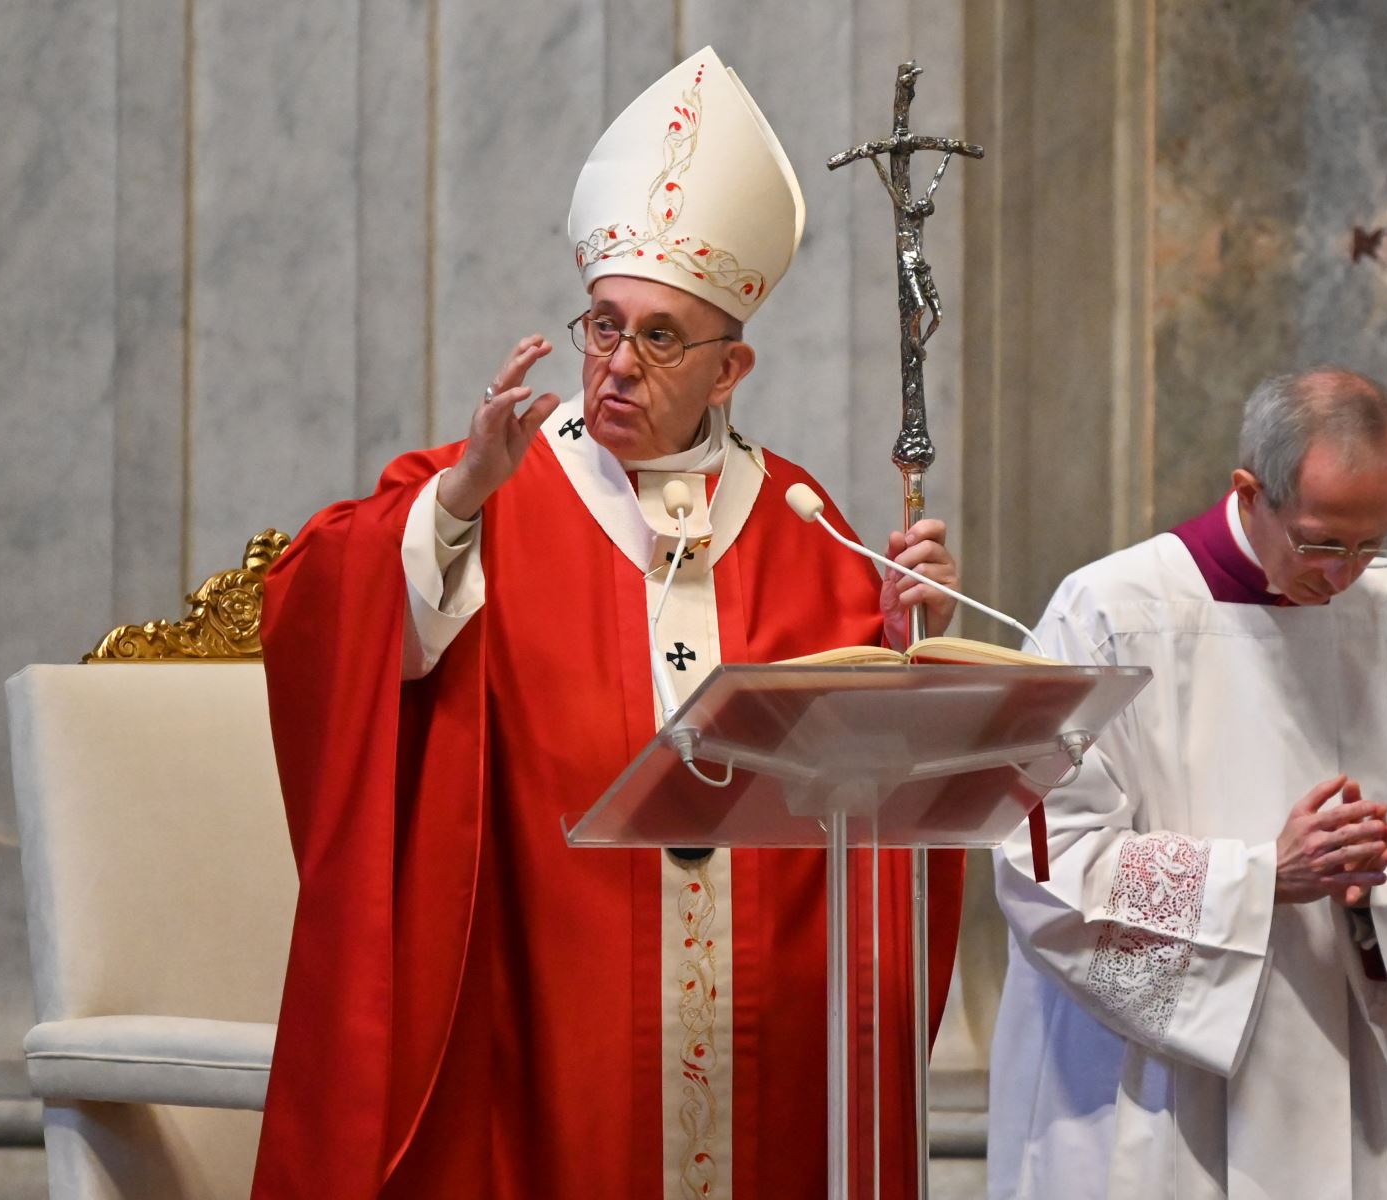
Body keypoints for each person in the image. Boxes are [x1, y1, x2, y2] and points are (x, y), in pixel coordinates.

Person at [252, 47, 966, 1199]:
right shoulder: (490, 488)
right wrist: (454, 507)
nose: (617, 365)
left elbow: (867, 789)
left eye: (660, 338)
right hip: (539, 1004)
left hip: (760, 1023)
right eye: (601, 326)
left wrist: (900, 642)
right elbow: (317, 606)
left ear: (731, 366)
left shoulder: (800, 517)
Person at [987, 367, 1387, 1200]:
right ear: (1249, 490)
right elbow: (1044, 861)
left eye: (1369, 543)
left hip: (1347, 1081)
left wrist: (1382, 897)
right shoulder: (1108, 614)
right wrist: (1262, 876)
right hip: (1151, 1098)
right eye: (1319, 542)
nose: (1345, 573)